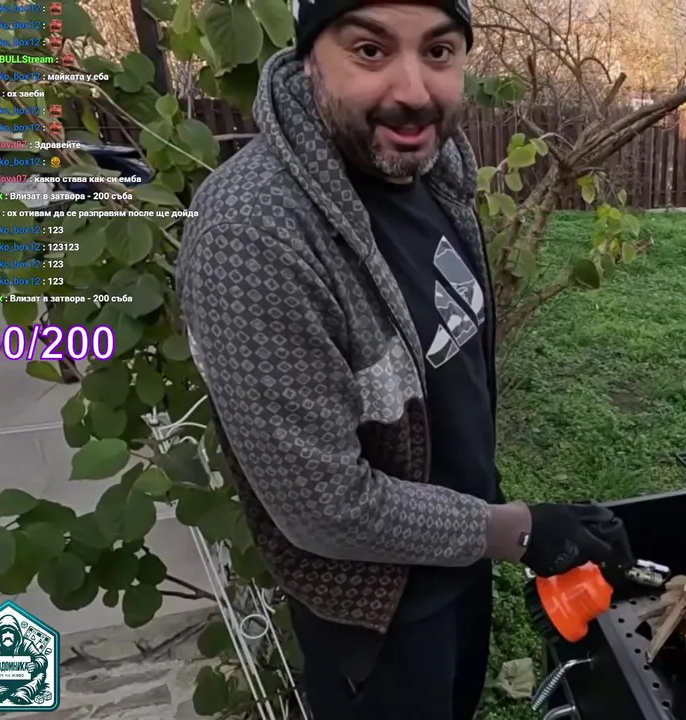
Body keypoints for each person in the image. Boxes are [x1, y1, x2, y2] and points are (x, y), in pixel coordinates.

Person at [175, 1, 631, 718]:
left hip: (462, 566)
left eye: (439, 52)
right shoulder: (252, 235)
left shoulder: (432, 166)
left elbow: (451, 374)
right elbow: (324, 506)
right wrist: (518, 529)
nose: (414, 91)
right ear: (309, 58)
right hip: (379, 624)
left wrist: (498, 520)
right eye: (370, 50)